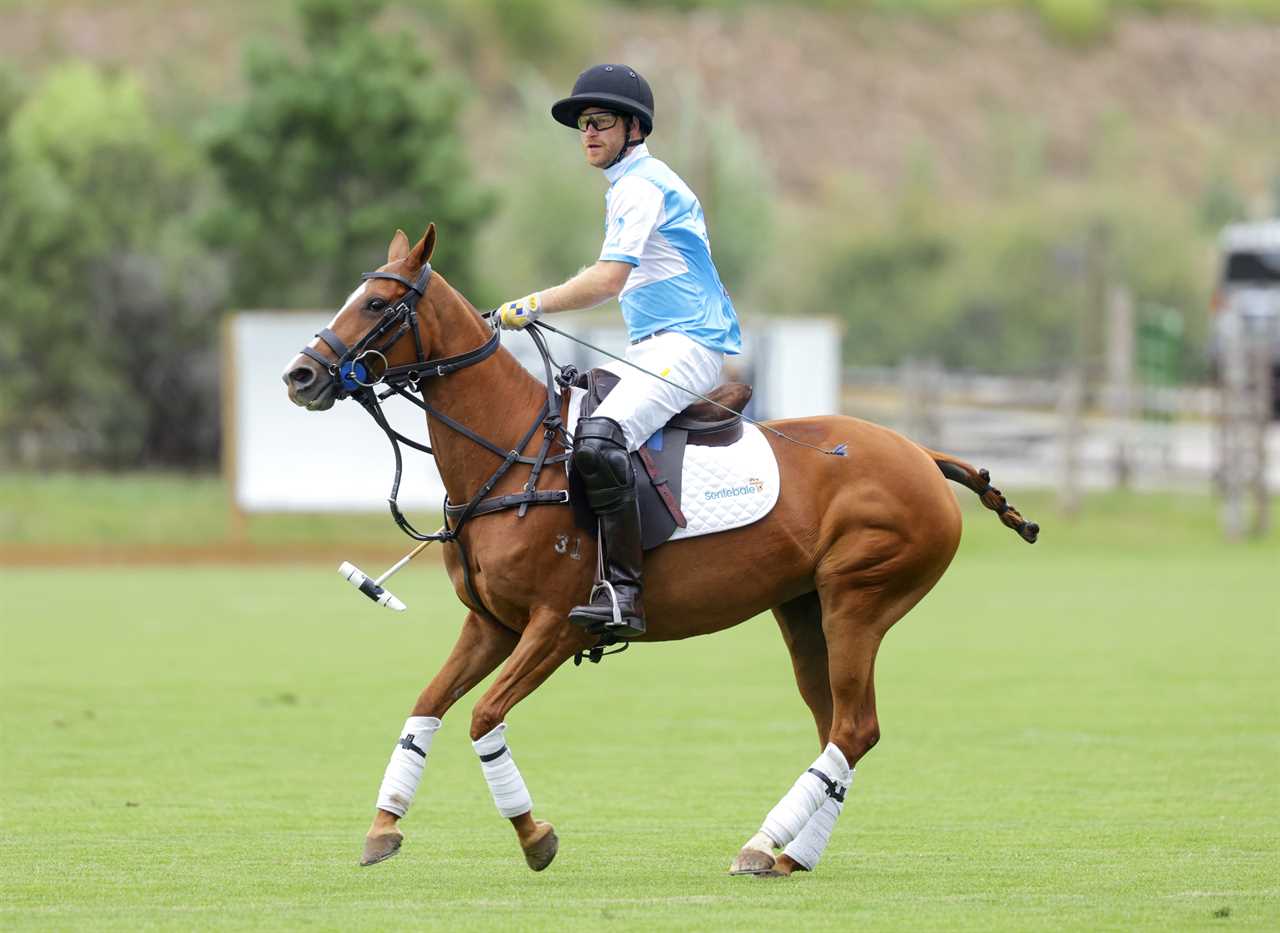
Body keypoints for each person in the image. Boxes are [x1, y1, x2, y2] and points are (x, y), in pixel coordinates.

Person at [497, 63, 741, 639]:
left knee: (602, 435)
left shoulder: (641, 185)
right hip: (656, 345)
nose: (588, 133)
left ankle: (624, 594)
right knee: (567, 426)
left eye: (600, 122)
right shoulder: (628, 186)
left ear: (634, 127)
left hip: (691, 342)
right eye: (583, 124)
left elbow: (607, 281)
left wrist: (531, 303)